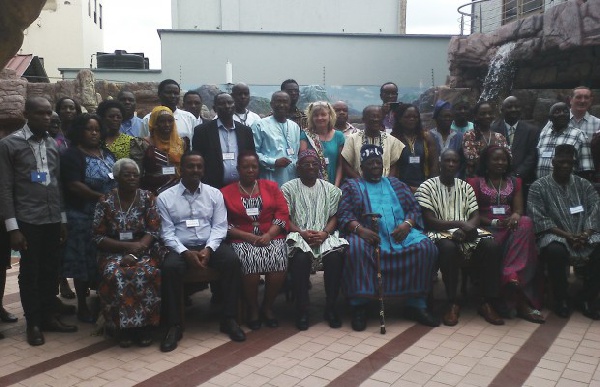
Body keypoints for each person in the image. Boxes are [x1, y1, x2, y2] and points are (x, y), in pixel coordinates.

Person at [0, 97, 77, 346]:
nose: (46, 118)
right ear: (27, 114)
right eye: (40, 114)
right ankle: (33, 322)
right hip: (27, 220)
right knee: (30, 272)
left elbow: (56, 185)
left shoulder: (53, 145)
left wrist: (63, 219)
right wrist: (13, 228)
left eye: (48, 114)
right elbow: (5, 188)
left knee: (50, 270)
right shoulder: (9, 145)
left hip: (53, 218)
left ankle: (48, 317)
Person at [338, 144, 439, 330]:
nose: (375, 166)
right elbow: (345, 215)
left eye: (378, 162)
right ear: (362, 167)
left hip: (400, 234)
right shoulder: (352, 186)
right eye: (370, 163)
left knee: (426, 247)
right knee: (356, 249)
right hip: (368, 236)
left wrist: (407, 224)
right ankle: (359, 306)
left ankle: (416, 305)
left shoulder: (396, 184)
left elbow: (413, 209)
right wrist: (360, 230)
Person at [157, 152, 245, 352]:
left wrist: (209, 248)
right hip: (180, 247)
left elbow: (220, 226)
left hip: (209, 245)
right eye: (190, 166)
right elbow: (166, 233)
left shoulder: (214, 194)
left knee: (232, 261)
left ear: (204, 170)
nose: (195, 170)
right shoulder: (165, 197)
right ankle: (174, 325)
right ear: (181, 169)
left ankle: (229, 318)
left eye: (199, 167)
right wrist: (185, 252)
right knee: (169, 268)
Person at [415, 149, 504, 327]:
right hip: (439, 233)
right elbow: (429, 220)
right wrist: (459, 224)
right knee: (448, 249)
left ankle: (487, 301)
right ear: (440, 163)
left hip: (467, 232)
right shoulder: (427, 186)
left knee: (492, 246)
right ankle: (452, 302)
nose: (450, 164)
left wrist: (467, 228)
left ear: (458, 164)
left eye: (454, 161)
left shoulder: (465, 187)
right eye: (447, 161)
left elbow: (475, 215)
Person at [467, 146, 544, 323]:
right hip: (487, 227)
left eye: (504, 160)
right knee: (495, 243)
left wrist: (515, 216)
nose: (501, 163)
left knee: (525, 222)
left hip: (510, 227)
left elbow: (518, 209)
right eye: (496, 159)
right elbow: (473, 213)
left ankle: (511, 274)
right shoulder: (475, 182)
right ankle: (514, 294)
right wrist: (493, 222)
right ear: (486, 162)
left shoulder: (514, 182)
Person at [93, 158, 163, 347]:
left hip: (144, 249)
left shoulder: (148, 198)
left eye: (135, 174)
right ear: (116, 177)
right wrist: (126, 248)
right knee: (115, 273)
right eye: (127, 175)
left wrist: (136, 250)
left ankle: (145, 326)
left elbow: (154, 230)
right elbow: (98, 236)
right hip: (113, 250)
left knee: (148, 271)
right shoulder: (105, 201)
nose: (132, 178)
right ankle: (122, 328)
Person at [528, 144, 600, 320]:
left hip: (585, 233)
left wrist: (586, 233)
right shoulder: (539, 186)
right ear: (553, 162)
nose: (566, 166)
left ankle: (587, 299)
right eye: (562, 162)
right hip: (554, 235)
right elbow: (540, 219)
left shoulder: (584, 185)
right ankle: (562, 299)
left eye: (570, 163)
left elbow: (595, 210)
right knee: (555, 251)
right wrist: (568, 236)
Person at [221, 151, 289, 330]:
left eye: (254, 167)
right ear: (238, 169)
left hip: (270, 235)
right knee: (247, 260)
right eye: (245, 167)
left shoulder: (271, 187)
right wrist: (248, 237)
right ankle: (253, 308)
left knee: (278, 258)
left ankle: (267, 307)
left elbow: (282, 213)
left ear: (259, 168)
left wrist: (270, 235)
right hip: (242, 238)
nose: (250, 170)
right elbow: (223, 223)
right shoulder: (225, 192)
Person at [282, 150, 348, 330]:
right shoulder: (288, 188)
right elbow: (284, 218)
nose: (310, 167)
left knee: (335, 258)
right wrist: (301, 233)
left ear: (320, 167)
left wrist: (325, 233)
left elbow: (336, 215)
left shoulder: (330, 189)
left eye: (314, 164)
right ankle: (302, 309)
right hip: (299, 236)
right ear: (298, 167)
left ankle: (331, 307)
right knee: (300, 259)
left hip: (324, 235)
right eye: (306, 164)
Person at [61, 113, 117, 323]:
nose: (94, 133)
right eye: (89, 129)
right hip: (82, 216)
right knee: (82, 261)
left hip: (108, 216)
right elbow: (74, 185)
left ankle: (103, 299)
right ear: (79, 131)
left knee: (103, 259)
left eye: (97, 129)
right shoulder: (72, 155)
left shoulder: (107, 153)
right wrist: (102, 198)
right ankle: (82, 305)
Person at [193, 93, 256, 189]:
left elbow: (251, 157)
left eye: (230, 103)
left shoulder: (245, 131)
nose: (227, 106)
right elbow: (198, 160)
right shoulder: (202, 131)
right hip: (212, 187)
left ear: (234, 106)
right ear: (214, 108)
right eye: (222, 103)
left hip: (241, 187)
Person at [130, 106, 188, 195]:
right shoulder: (143, 144)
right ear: (154, 123)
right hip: (153, 193)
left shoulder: (182, 143)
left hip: (179, 192)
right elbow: (137, 174)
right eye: (162, 121)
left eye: (170, 121)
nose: (167, 124)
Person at [341, 105, 404, 179]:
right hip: (360, 185)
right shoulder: (352, 139)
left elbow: (394, 164)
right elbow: (346, 164)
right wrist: (360, 182)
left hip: (385, 185)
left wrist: (387, 182)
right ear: (363, 119)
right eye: (372, 116)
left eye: (378, 116)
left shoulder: (392, 140)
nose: (375, 119)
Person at [252, 91, 301, 186]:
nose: (282, 105)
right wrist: (274, 162)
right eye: (278, 101)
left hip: (292, 179)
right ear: (271, 104)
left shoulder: (295, 127)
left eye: (285, 102)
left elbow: (296, 153)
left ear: (289, 104)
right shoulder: (259, 125)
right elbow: (253, 153)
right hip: (270, 178)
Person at [536, 102, 594, 179]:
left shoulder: (579, 135)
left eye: (566, 111)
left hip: (567, 188)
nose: (562, 114)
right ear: (550, 117)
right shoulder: (543, 134)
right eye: (557, 112)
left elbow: (586, 170)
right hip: (541, 187)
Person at [491, 96, 539, 185]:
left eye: (517, 107)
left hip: (523, 181)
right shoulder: (493, 129)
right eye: (509, 107)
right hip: (497, 180)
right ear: (502, 110)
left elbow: (532, 156)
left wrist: (516, 175)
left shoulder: (532, 130)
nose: (513, 109)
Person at [391, 103, 439, 191]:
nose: (412, 119)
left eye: (415, 117)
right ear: (400, 119)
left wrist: (430, 187)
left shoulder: (427, 137)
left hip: (424, 187)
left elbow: (434, 166)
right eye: (407, 117)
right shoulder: (393, 139)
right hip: (401, 188)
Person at [300, 101, 346, 186]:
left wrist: (336, 187)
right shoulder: (306, 135)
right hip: (312, 184)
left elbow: (340, 165)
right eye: (316, 115)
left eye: (323, 114)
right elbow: (303, 163)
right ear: (311, 118)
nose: (320, 118)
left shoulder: (339, 136)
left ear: (330, 116)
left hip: (334, 183)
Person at [141, 79, 197, 145]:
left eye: (176, 93)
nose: (173, 96)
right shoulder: (148, 119)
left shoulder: (189, 118)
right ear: (159, 94)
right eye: (168, 93)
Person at [462, 101, 508, 177]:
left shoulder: (499, 137)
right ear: (476, 116)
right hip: (477, 178)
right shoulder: (469, 135)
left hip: (499, 178)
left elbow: (508, 158)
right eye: (483, 114)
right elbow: (472, 159)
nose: (487, 116)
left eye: (490, 113)